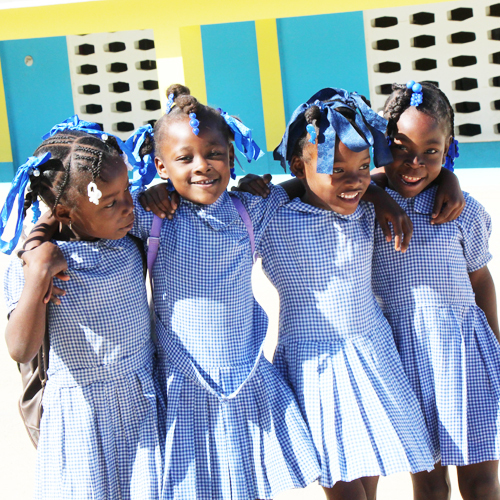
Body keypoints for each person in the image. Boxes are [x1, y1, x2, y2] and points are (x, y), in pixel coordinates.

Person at [238, 88, 435, 500]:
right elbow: (232, 204)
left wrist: (378, 191)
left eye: (362, 166)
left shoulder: (366, 207)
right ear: (298, 165)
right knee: (346, 490)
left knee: (370, 479)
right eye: (337, 169)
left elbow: (389, 178)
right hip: (316, 365)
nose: (354, 180)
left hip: (373, 354)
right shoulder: (275, 213)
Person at [129, 84, 320, 500]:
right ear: (161, 165)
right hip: (183, 379)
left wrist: (437, 177)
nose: (202, 166)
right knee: (193, 485)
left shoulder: (248, 209)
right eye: (185, 158)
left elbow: (304, 186)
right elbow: (97, 214)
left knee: (246, 480)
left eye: (214, 153)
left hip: (244, 374)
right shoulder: (154, 216)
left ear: (231, 157)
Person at [2, 126, 163, 500]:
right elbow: (20, 348)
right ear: (63, 211)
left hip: (141, 408)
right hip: (80, 420)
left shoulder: (128, 238)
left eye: (127, 192)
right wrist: (39, 271)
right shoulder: (34, 265)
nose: (127, 206)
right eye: (110, 202)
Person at [372, 81, 500, 500]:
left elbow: (480, 280)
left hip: (465, 356)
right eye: (401, 148)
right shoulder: (364, 211)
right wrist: (375, 188)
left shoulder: (462, 211)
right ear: (381, 146)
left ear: (448, 150)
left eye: (432, 152)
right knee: (427, 484)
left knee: (482, 483)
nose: (415, 163)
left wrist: (496, 350)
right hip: (404, 359)